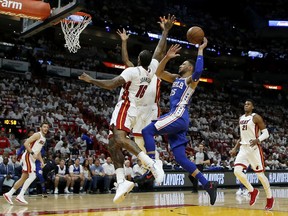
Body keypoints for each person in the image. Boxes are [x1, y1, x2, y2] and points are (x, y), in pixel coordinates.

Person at [79, 14, 175, 204]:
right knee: (112, 143)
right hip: (138, 110)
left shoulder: (132, 71)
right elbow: (158, 50)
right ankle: (122, 180)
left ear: (138, 59)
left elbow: (111, 84)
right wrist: (165, 31)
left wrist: (91, 80)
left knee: (120, 139)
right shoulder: (152, 68)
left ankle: (151, 163)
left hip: (129, 107)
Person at [142, 41, 217, 206]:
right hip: (177, 118)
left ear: (189, 68)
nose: (180, 65)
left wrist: (200, 50)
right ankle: (208, 184)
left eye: (183, 64)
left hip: (178, 115)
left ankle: (151, 167)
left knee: (147, 131)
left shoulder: (191, 80)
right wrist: (167, 57)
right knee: (181, 158)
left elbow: (199, 71)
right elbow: (159, 72)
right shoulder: (176, 78)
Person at [229, 99, 274, 210]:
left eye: (248, 104)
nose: (246, 105)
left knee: (260, 175)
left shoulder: (256, 117)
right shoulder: (241, 118)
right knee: (237, 171)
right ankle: (252, 191)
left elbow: (266, 133)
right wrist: (235, 148)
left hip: (254, 149)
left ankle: (270, 198)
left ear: (252, 107)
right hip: (243, 148)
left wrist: (257, 140)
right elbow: (242, 136)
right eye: (245, 104)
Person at [3, 122, 49, 205]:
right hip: (28, 156)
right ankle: (20, 195)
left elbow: (38, 152)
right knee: (33, 175)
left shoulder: (44, 139)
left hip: (32, 158)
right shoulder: (37, 135)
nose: (46, 128)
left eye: (47, 127)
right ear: (40, 128)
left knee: (23, 178)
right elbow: (25, 143)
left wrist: (42, 161)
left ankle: (9, 194)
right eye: (44, 127)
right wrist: (32, 153)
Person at [16, 129, 48, 197]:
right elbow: (21, 149)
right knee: (28, 176)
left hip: (36, 160)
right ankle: (21, 192)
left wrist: (42, 161)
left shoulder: (40, 140)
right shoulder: (28, 141)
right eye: (30, 133)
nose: (32, 134)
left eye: (33, 133)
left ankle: (43, 190)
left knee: (39, 174)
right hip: (28, 158)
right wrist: (17, 157)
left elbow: (40, 152)